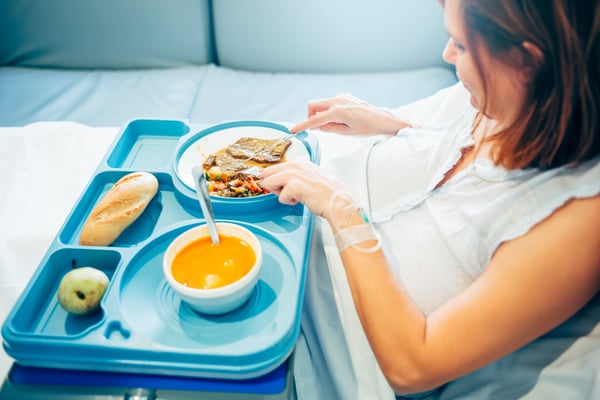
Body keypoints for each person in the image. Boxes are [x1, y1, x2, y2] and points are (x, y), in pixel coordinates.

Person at [259, 0, 600, 399]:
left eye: (461, 45)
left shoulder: (577, 219)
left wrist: (342, 210)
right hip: (291, 224)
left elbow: (412, 366)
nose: (446, 54)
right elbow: (459, 155)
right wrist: (389, 122)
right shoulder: (508, 97)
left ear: (526, 61)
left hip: (309, 334)